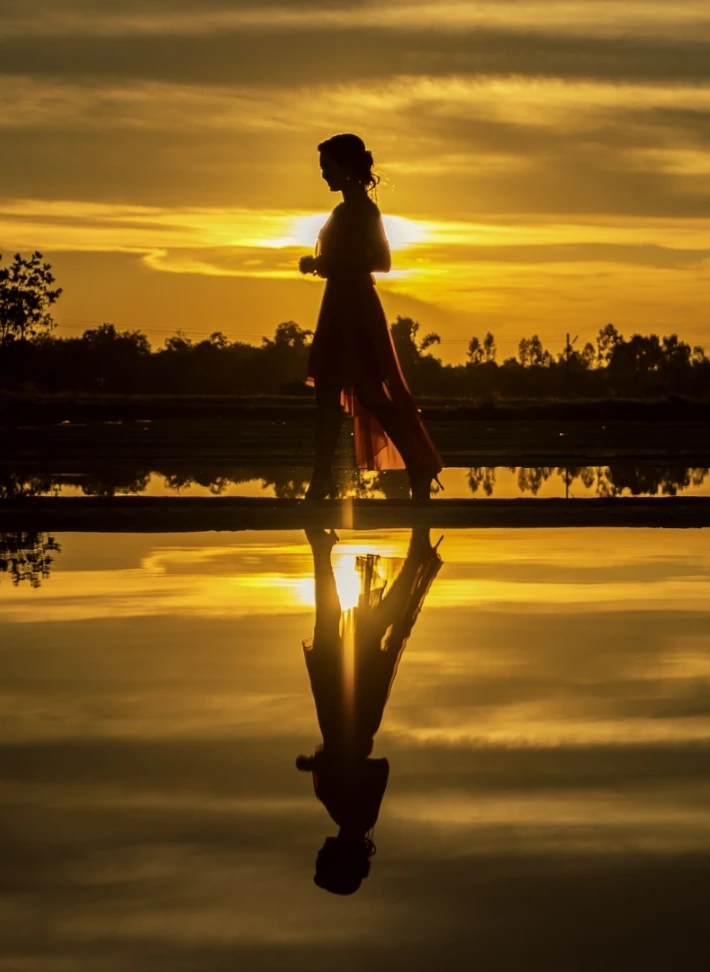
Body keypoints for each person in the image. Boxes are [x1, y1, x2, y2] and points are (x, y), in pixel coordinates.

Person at [297, 526, 443, 894]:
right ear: (342, 857)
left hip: (337, 719)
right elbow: (379, 768)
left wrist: (320, 762)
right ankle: (413, 558)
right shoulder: (359, 816)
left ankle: (324, 550)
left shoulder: (348, 817)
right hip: (355, 718)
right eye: (323, 858)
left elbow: (348, 767)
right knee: (359, 631)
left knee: (335, 632)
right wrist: (328, 763)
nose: (320, 850)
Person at [299, 133, 443, 502]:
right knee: (326, 397)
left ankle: (419, 464)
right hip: (336, 305)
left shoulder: (365, 211)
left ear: (347, 169)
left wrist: (328, 263)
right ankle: (320, 480)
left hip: (357, 307)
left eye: (327, 168)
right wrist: (319, 265)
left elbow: (383, 261)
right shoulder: (342, 211)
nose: (323, 176)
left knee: (372, 394)